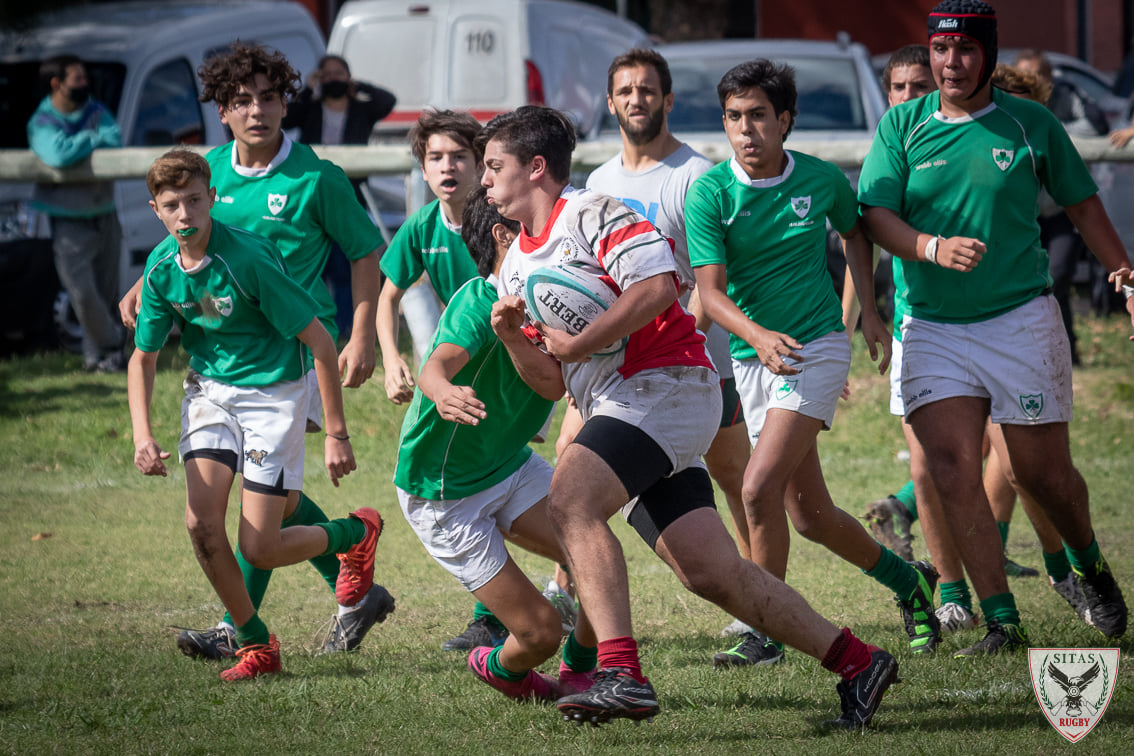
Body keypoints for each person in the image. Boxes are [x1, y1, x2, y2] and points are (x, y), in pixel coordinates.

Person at [485, 105, 898, 730]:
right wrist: (517, 339)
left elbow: (659, 287)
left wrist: (578, 341)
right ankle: (858, 661)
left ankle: (619, 672)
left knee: (569, 500)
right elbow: (554, 378)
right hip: (622, 403)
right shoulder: (513, 264)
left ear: (536, 168)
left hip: (667, 385)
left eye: (494, 166)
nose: (484, 181)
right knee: (711, 573)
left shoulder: (592, 212)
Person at [859, 0, 1132, 654]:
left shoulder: (1028, 122)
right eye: (940, 50)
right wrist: (928, 247)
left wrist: (1125, 274)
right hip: (932, 327)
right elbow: (874, 213)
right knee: (950, 469)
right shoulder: (902, 126)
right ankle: (1002, 621)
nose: (950, 63)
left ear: (988, 54)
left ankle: (1089, 565)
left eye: (965, 50)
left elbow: (1084, 206)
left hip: (1020, 322)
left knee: (1038, 475)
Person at [119, 42, 391, 660]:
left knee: (260, 508)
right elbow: (188, 245)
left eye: (270, 97)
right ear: (222, 110)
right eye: (242, 101)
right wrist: (145, 285)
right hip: (222, 367)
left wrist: (362, 331)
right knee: (275, 500)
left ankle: (236, 625)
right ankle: (351, 576)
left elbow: (365, 254)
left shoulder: (315, 178)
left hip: (296, 357)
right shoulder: (204, 175)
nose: (258, 111)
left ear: (285, 103)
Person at [685, 59, 941, 664]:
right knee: (811, 516)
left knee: (756, 488)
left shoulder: (821, 179)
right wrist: (756, 337)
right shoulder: (712, 192)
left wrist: (869, 315)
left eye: (757, 116)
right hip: (754, 358)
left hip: (817, 346)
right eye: (733, 118)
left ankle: (764, 631)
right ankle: (912, 584)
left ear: (785, 121)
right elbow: (711, 293)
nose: (745, 130)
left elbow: (857, 233)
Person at [394, 186, 596, 702]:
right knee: (539, 633)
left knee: (597, 559)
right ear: (507, 236)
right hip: (445, 492)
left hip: (509, 466)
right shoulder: (479, 299)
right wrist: (440, 392)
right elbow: (436, 365)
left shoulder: (549, 305)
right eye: (543, 228)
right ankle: (499, 667)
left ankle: (583, 675)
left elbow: (554, 386)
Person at [585, 48, 756, 646]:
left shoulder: (698, 176)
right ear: (611, 103)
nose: (637, 100)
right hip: (618, 373)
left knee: (739, 480)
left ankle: (756, 599)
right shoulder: (599, 183)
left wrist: (673, 340)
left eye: (647, 90)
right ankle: (568, 593)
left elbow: (712, 282)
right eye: (625, 91)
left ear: (668, 99)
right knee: (575, 473)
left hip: (699, 363)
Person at [283, 54, 396, 338]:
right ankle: (310, 328)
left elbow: (387, 101)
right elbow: (287, 116)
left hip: (351, 196)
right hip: (311, 197)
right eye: (327, 74)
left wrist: (359, 85)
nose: (333, 78)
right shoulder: (310, 107)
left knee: (347, 268)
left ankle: (347, 329)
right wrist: (309, 89)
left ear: (348, 77)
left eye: (339, 73)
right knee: (312, 268)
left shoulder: (361, 109)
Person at [27, 54, 125, 372]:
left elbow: (116, 141)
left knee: (107, 292)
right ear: (57, 84)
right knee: (82, 295)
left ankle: (99, 360)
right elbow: (56, 154)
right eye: (78, 78)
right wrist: (91, 139)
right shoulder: (41, 122)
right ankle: (114, 344)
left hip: (105, 213)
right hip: (68, 219)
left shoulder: (97, 110)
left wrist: (79, 143)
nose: (86, 84)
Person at [377, 110, 483, 407]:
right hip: (463, 343)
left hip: (514, 346)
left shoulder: (503, 219)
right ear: (423, 169)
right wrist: (391, 359)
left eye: (459, 156)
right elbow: (387, 298)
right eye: (435, 158)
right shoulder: (421, 226)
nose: (447, 167)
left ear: (479, 164)